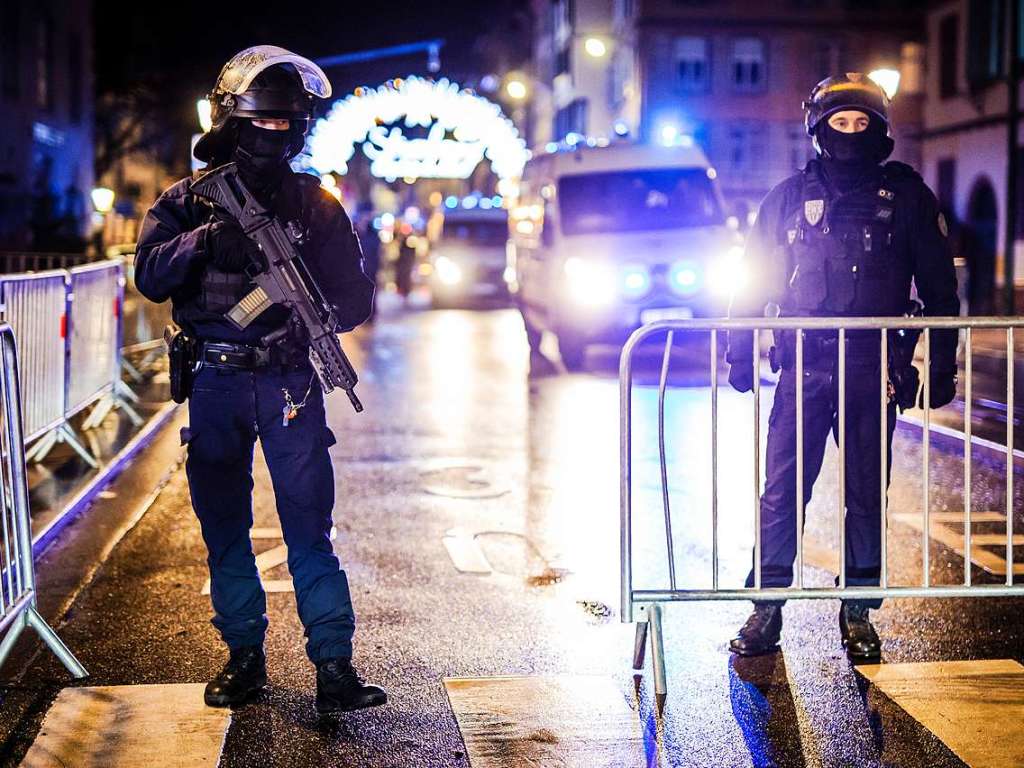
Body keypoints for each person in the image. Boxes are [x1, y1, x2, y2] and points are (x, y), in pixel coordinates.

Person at [135, 46, 386, 713]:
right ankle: (244, 657)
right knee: (224, 525)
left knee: (310, 527)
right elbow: (150, 274)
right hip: (216, 382)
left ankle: (333, 665)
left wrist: (304, 306)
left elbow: (357, 299)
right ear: (233, 124)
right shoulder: (188, 201)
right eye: (262, 125)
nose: (276, 137)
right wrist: (203, 244)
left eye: (288, 126)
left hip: (289, 382)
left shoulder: (316, 205)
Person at [726, 74, 960, 660]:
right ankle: (766, 608)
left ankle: (858, 610)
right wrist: (737, 348)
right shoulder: (786, 197)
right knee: (782, 492)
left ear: (880, 129)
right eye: (839, 122)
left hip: (871, 369)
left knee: (864, 493)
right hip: (803, 365)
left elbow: (939, 287)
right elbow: (752, 278)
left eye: (862, 122)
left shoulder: (906, 198)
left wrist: (945, 364)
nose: (850, 133)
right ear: (817, 127)